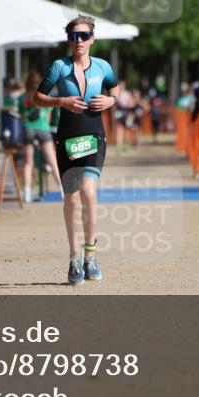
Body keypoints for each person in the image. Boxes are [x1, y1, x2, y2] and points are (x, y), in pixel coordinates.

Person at [34, 15, 120, 285]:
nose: (79, 41)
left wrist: (110, 101)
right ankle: (74, 257)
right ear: (68, 40)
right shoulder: (59, 67)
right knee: (71, 200)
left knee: (89, 191)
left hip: (95, 137)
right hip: (67, 139)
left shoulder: (103, 67)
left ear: (92, 39)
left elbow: (116, 90)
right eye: (74, 36)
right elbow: (37, 98)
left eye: (84, 36)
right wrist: (61, 101)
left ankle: (91, 255)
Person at [20, 70, 61, 203]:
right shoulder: (44, 95)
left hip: (28, 129)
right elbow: (49, 117)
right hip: (43, 129)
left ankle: (26, 192)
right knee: (52, 160)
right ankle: (62, 190)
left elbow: (21, 117)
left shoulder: (23, 97)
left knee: (28, 162)